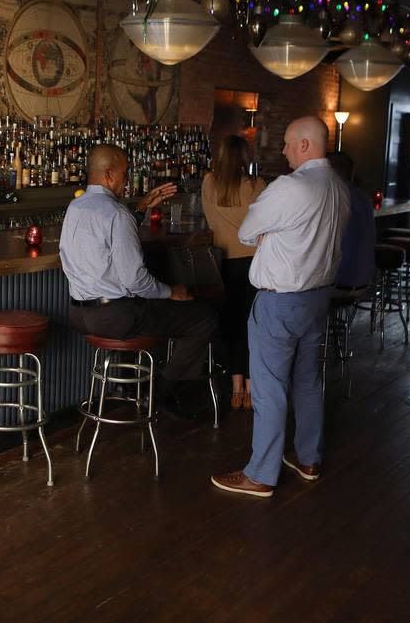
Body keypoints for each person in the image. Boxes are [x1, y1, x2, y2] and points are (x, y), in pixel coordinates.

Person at [211, 116, 348, 498]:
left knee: (270, 388)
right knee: (307, 381)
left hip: (281, 300)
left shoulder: (290, 187)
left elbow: (245, 232)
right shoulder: (339, 187)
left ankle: (261, 474)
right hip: (318, 297)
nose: (283, 150)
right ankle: (308, 457)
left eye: (287, 143)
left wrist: (273, 234)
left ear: (305, 145)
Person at [61, 144, 219, 404]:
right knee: (203, 317)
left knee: (140, 305)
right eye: (125, 173)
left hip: (79, 314)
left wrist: (142, 207)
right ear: (110, 175)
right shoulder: (117, 214)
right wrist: (171, 292)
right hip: (115, 318)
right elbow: (135, 280)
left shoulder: (75, 208)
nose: (127, 179)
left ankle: (127, 387)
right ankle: (163, 393)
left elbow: (107, 239)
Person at [201, 135, 266, 410]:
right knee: (252, 325)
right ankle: (250, 389)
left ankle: (235, 388)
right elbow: (266, 224)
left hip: (221, 262)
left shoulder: (208, 183)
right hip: (253, 263)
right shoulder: (256, 185)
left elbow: (208, 220)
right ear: (244, 157)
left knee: (230, 325)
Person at [326, 152, 375, 292]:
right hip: (364, 281)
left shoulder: (335, 198)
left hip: (339, 282)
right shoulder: (362, 198)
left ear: (332, 172)